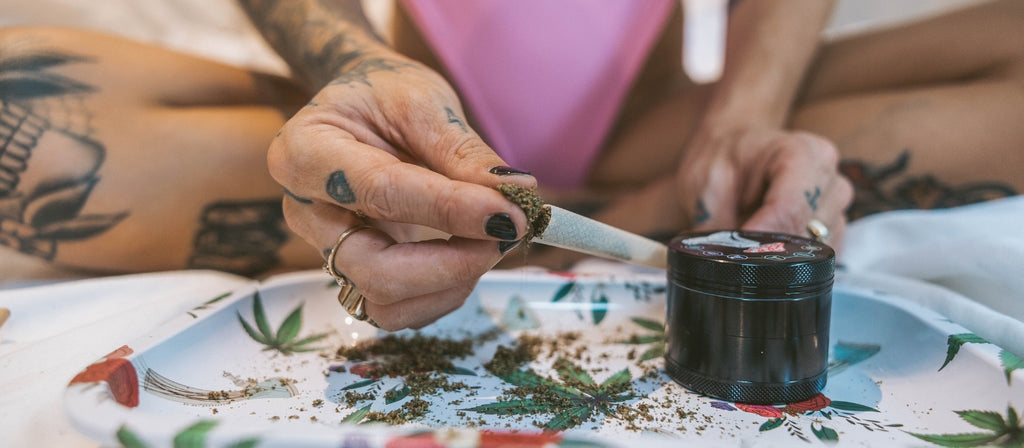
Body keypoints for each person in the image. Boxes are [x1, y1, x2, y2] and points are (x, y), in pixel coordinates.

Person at [1, 0, 1021, 330]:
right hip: (407, 95)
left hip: (657, 125)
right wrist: (358, 74)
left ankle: (633, 200)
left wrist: (738, 122)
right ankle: (485, 206)